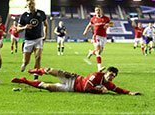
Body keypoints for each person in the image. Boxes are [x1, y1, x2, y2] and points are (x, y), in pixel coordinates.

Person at [11, 67, 141, 95]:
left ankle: (24, 81)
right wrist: (101, 91)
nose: (111, 77)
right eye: (110, 74)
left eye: (113, 76)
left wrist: (130, 93)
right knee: (50, 70)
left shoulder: (109, 84)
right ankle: (37, 70)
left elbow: (117, 89)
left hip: (71, 88)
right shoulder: (96, 75)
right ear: (106, 73)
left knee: (46, 87)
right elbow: (86, 89)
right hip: (73, 79)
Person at [17, 0, 48, 80]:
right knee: (26, 61)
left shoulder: (41, 13)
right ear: (27, 5)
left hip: (38, 39)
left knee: (38, 57)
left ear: (35, 4)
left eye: (32, 3)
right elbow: (18, 29)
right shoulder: (23, 15)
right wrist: (25, 27)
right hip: (28, 40)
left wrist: (45, 35)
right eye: (30, 4)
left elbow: (45, 25)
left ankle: (36, 77)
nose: (31, 5)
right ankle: (24, 64)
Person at [83, 6, 114, 72]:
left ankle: (91, 52)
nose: (98, 11)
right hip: (96, 36)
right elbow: (89, 26)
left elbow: (112, 24)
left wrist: (108, 25)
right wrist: (85, 31)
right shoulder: (93, 19)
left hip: (104, 37)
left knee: (99, 52)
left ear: (101, 11)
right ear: (95, 11)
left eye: (99, 10)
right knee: (99, 51)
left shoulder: (106, 18)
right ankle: (99, 67)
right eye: (96, 10)